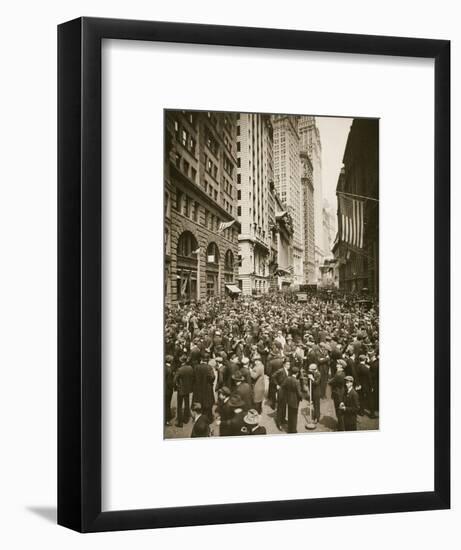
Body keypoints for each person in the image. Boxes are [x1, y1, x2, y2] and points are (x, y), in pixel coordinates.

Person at [281, 365, 303, 433]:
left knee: (290, 415)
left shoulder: (288, 378)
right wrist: (301, 398)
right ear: (297, 373)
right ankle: (293, 430)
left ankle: (289, 429)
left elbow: (283, 386)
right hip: (295, 401)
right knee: (294, 416)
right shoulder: (297, 382)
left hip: (288, 399)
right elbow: (299, 393)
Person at [192, 357, 216, 422]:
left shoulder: (196, 367)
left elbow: (193, 377)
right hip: (207, 388)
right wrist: (210, 382)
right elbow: (212, 377)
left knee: (198, 402)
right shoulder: (209, 367)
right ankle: (208, 419)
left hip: (198, 387)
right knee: (207, 403)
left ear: (201, 360)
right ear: (207, 360)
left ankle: (198, 418)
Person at [174, 355, 194, 427]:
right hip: (187, 389)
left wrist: (177, 385)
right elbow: (192, 377)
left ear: (181, 361)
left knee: (179, 406)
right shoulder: (190, 368)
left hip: (181, 389)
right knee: (187, 404)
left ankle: (180, 422)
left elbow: (175, 380)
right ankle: (186, 419)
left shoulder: (180, 369)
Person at [273, 358, 290, 430]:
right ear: (284, 365)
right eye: (287, 364)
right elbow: (273, 376)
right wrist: (276, 385)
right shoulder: (280, 370)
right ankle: (279, 423)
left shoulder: (288, 371)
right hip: (281, 391)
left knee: (284, 406)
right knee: (280, 407)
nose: (289, 365)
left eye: (289, 364)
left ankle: (283, 419)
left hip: (286, 391)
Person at [329, 359, 346, 431]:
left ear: (341, 366)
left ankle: (341, 428)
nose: (336, 365)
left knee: (339, 411)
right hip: (339, 393)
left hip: (338, 394)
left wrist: (330, 380)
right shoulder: (341, 373)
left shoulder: (339, 374)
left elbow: (331, 382)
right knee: (339, 411)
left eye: (338, 364)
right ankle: (340, 425)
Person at [164, 355, 175, 426]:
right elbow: (169, 382)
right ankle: (167, 420)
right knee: (167, 404)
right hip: (167, 390)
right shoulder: (169, 369)